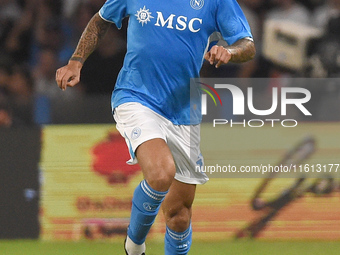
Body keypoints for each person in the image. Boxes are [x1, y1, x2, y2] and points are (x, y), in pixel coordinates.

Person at [55, 0, 255, 254]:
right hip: (136, 96)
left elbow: (247, 44)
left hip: (184, 110)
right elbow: (101, 20)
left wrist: (230, 52)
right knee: (161, 174)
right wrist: (76, 61)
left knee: (179, 215)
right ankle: (134, 246)